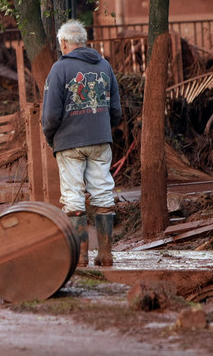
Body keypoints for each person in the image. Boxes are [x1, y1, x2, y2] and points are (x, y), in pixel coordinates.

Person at [41, 19, 122, 267]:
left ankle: (80, 258)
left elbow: (51, 115)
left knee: (73, 197)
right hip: (100, 140)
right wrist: (102, 128)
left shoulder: (59, 69)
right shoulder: (105, 66)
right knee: (103, 193)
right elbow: (116, 110)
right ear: (83, 42)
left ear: (64, 43)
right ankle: (106, 255)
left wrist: (51, 137)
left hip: (69, 142)